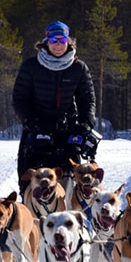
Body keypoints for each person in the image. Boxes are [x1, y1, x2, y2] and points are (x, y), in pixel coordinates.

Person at [13, 21, 97, 197]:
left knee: (70, 180)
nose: (58, 44)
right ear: (46, 41)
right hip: (37, 129)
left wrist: (86, 124)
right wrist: (31, 122)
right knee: (29, 181)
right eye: (53, 40)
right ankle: (32, 216)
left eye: (62, 40)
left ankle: (65, 215)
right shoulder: (31, 66)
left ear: (68, 42)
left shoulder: (78, 68)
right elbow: (20, 99)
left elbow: (87, 99)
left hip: (67, 130)